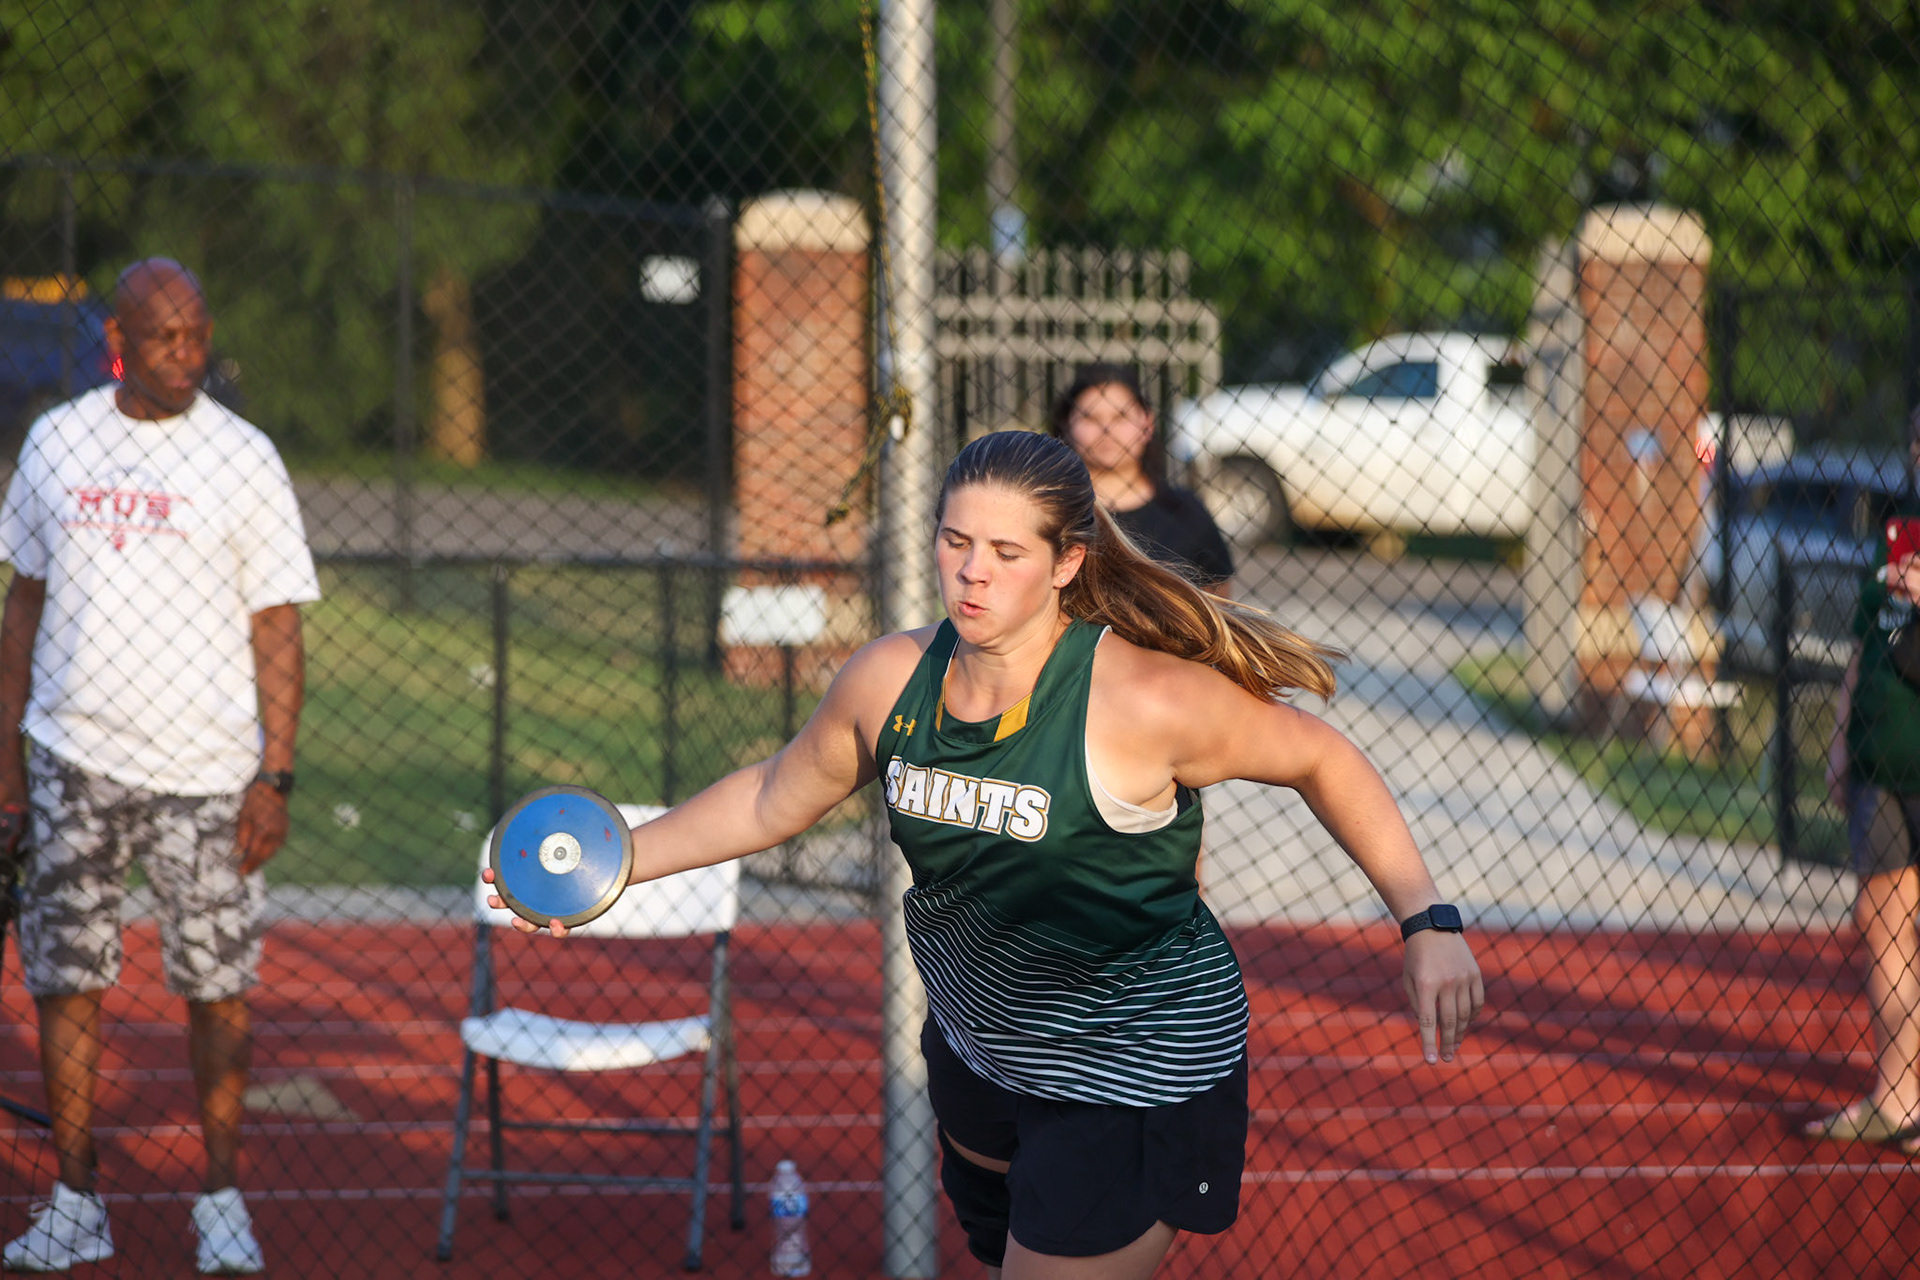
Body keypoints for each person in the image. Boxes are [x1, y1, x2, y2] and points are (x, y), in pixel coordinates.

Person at [490, 429, 1482, 1278]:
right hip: (981, 1048)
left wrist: (1425, 918)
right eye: (956, 541)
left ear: (1066, 563)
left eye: (1007, 551)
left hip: (1134, 1066)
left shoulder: (1140, 701)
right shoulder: (890, 679)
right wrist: (616, 861)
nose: (972, 570)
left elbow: (1322, 755)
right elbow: (770, 793)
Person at [0, 259, 320, 1274]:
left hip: (210, 769)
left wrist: (275, 772)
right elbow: (23, 607)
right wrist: (7, 769)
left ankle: (221, 1198)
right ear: (119, 345)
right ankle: (77, 1196)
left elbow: (276, 621)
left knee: (217, 985)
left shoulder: (243, 457)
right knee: (67, 979)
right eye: (165, 340)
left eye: (197, 336)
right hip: (72, 757)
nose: (188, 356)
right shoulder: (59, 442)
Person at [1807, 492, 1920, 1151]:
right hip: (1881, 759)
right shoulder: (1897, 534)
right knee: (1883, 923)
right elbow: (1865, 644)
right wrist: (1843, 739)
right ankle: (1898, 1095)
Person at [1049, 363, 1235, 595]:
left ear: (1147, 423)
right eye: (1090, 417)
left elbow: (1218, 596)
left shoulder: (1186, 512)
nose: (1106, 429)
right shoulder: (1052, 511)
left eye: (1120, 416)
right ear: (1067, 426)